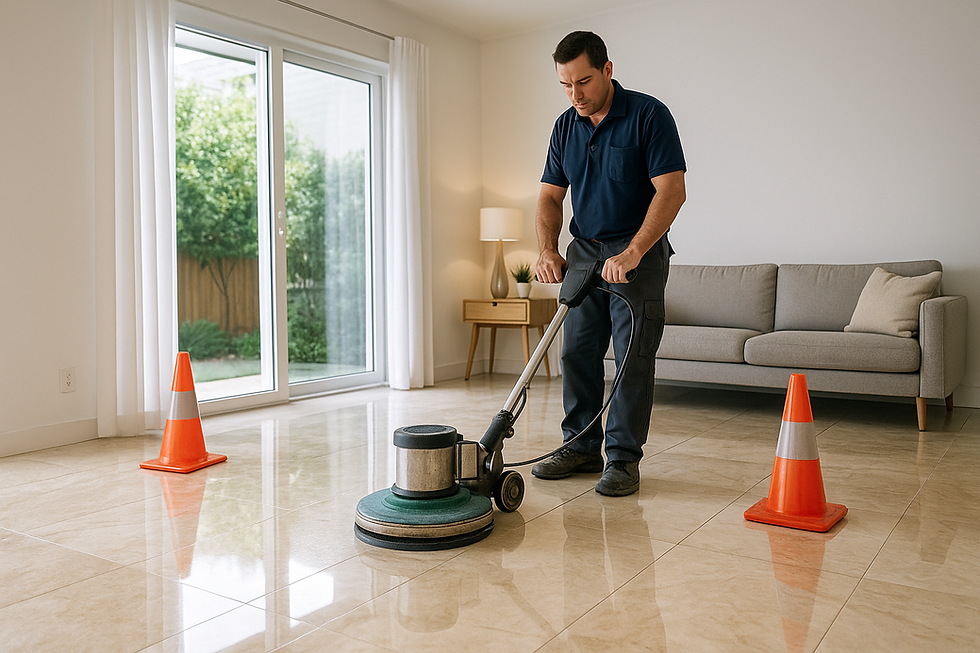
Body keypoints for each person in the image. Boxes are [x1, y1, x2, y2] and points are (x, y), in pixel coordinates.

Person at [531, 31, 686, 496]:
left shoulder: (648, 115)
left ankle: (621, 459)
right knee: (576, 351)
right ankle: (579, 446)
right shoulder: (564, 127)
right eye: (565, 84)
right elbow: (549, 196)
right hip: (584, 251)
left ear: (608, 70)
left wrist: (634, 251)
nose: (575, 94)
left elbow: (672, 190)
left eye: (583, 81)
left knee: (631, 359)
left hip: (636, 252)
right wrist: (547, 248)